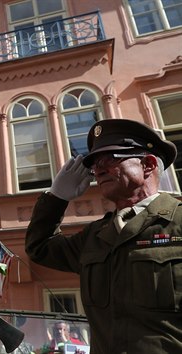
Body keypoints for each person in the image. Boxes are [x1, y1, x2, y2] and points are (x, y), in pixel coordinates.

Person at [25, 118, 182, 353]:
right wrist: (56, 198)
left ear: (148, 165)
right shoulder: (96, 235)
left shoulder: (177, 222)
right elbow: (40, 247)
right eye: (95, 163)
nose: (98, 168)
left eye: (111, 158)